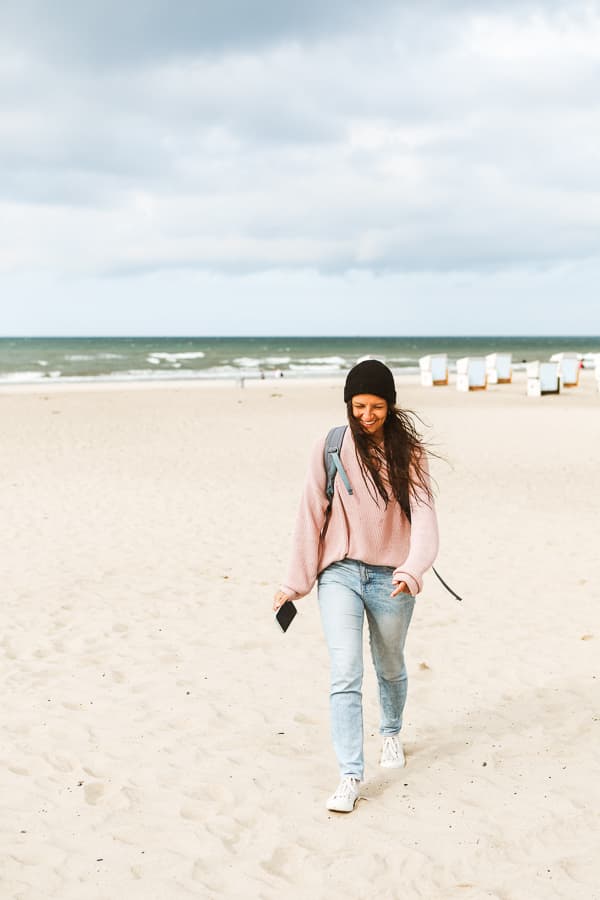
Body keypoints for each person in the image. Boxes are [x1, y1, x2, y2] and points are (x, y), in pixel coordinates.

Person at [273, 359, 439, 813]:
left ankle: (390, 732)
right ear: (348, 403)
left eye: (377, 407)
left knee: (389, 666)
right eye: (359, 406)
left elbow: (424, 516)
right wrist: (295, 582)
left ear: (391, 405)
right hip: (340, 573)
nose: (366, 415)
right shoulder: (329, 447)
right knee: (345, 671)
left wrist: (413, 570)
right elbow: (310, 514)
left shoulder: (410, 452)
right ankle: (349, 774)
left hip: (393, 577)